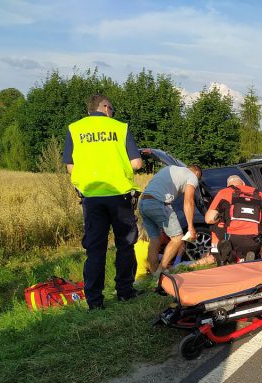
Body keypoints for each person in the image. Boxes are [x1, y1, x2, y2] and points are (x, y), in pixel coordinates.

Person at [63, 94, 142, 310]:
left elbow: (70, 167)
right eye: (112, 109)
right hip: (119, 196)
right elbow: (136, 164)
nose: (112, 113)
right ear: (106, 107)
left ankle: (95, 302)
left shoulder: (74, 129)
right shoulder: (120, 128)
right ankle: (125, 292)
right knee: (125, 245)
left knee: (95, 250)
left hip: (92, 199)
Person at [139, 163, 202, 277]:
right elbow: (189, 201)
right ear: (197, 173)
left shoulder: (170, 169)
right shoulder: (192, 176)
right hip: (159, 203)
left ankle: (154, 277)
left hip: (143, 203)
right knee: (177, 238)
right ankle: (161, 272)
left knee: (155, 240)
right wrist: (190, 227)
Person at [205, 175, 262, 263]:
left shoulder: (224, 192)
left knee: (215, 225)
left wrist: (222, 219)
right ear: (243, 183)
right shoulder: (258, 193)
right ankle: (257, 251)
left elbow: (208, 219)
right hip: (256, 239)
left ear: (228, 185)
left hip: (232, 239)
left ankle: (217, 254)